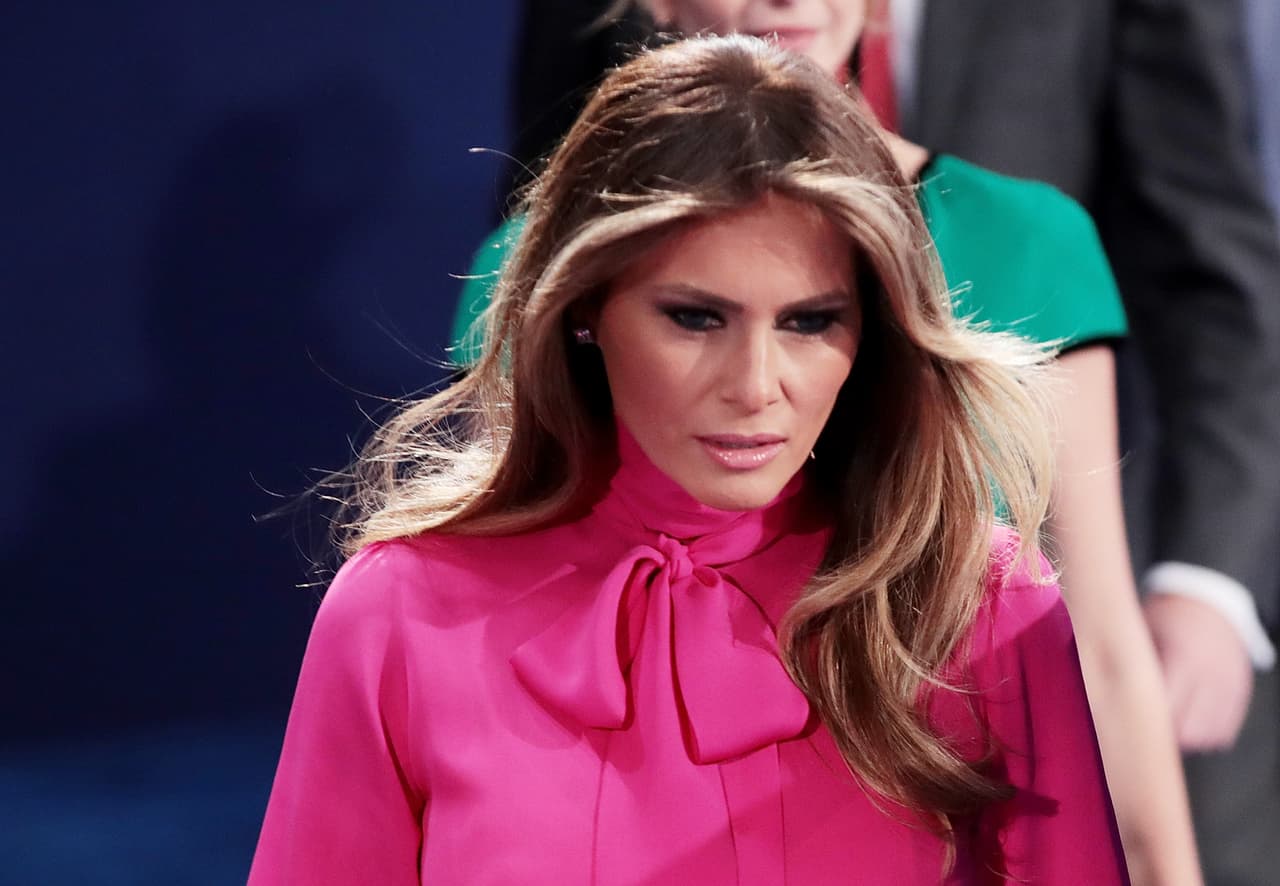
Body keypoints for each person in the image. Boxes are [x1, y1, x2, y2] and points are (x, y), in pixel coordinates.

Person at [251, 36, 1127, 884]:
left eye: (810, 321)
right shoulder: (400, 612)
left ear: (875, 330)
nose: (755, 386)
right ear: (585, 308)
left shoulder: (980, 608)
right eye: (696, 318)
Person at [454, 3, 1200, 882]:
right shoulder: (532, 271)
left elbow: (1100, 651)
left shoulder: (1025, 244)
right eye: (693, 317)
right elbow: (502, 626)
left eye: (813, 321)